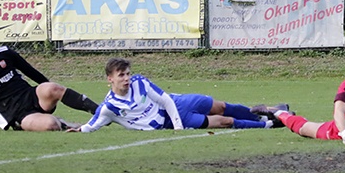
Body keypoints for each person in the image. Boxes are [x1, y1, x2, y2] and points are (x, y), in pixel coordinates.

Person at [70, 57, 289, 133]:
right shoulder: (110, 107)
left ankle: (267, 112)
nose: (126, 78)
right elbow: (93, 125)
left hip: (176, 104)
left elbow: (165, 99)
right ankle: (271, 124)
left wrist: (177, 127)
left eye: (127, 73)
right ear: (110, 79)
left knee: (220, 106)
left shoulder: (140, 82)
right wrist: (78, 129)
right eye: (121, 75)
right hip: (168, 121)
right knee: (224, 121)